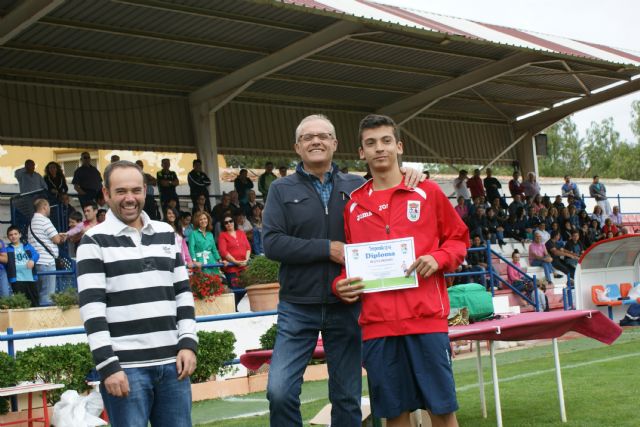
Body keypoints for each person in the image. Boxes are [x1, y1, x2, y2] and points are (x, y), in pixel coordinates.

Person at [263, 113, 423, 426]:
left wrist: (411, 173)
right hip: (297, 307)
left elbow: (392, 197)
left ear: (335, 144)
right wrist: (328, 248)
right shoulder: (281, 189)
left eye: (323, 136)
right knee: (279, 391)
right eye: (308, 137)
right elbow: (272, 243)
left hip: (347, 306)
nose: (316, 141)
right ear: (298, 147)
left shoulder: (358, 186)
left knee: (347, 397)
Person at [333, 114, 468, 427]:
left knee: (443, 410)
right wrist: (341, 285)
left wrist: (439, 257)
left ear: (399, 146)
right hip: (378, 326)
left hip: (426, 321)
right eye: (371, 143)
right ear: (360, 153)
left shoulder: (427, 192)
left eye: (386, 141)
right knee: (394, 415)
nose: (379, 148)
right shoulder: (353, 206)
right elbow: (352, 263)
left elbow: (458, 239)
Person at [76, 161, 197, 427]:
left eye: (135, 190)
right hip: (126, 370)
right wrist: (108, 366)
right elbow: (92, 310)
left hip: (173, 366)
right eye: (120, 191)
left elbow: (183, 295)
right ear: (106, 195)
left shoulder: (167, 233)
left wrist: (188, 343)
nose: (129, 198)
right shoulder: (93, 241)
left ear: (145, 191)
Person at [28, 198, 66, 306]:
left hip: (37, 262)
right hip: (47, 262)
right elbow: (56, 240)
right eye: (48, 206)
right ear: (44, 207)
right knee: (48, 295)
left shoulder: (32, 222)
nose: (49, 209)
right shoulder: (45, 220)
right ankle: (45, 322)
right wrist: (62, 237)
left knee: (40, 293)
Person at [218, 215, 251, 308]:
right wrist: (235, 261)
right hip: (232, 268)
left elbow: (248, 248)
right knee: (236, 290)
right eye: (226, 222)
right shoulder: (222, 235)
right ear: (224, 225)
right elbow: (223, 252)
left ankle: (234, 308)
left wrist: (246, 260)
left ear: (234, 222)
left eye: (230, 221)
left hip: (244, 266)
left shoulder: (241, 233)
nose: (229, 223)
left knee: (245, 288)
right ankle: (232, 309)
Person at [2, 226, 40, 307]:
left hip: (31, 278)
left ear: (20, 235)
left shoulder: (27, 246)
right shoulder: (7, 249)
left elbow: (36, 254)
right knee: (21, 303)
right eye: (11, 235)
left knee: (34, 301)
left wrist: (32, 260)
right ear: (8, 237)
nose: (13, 236)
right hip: (17, 280)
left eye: (15, 234)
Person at [188, 211, 224, 277]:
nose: (203, 221)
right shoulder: (193, 233)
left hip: (211, 260)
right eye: (200, 219)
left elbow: (214, 249)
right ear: (197, 221)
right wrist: (194, 261)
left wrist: (219, 259)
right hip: (199, 261)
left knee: (215, 281)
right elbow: (191, 248)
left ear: (208, 220)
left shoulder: (210, 234)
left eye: (205, 218)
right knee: (204, 281)